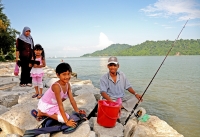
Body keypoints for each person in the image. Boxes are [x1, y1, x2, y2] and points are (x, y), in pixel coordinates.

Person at [31, 63, 86, 128]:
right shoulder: (56, 86)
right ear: (58, 75)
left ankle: (47, 114)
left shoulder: (67, 84)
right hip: (47, 104)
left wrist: (77, 112)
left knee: (67, 117)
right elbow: (60, 105)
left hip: (54, 104)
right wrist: (66, 121)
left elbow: (72, 99)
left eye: (69, 74)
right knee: (64, 119)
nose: (67, 77)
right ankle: (42, 113)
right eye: (64, 74)